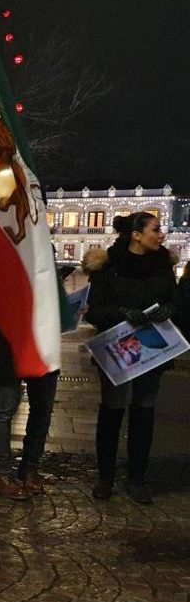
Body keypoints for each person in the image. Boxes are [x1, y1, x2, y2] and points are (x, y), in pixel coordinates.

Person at [82, 212, 178, 504]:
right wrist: (122, 313)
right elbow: (95, 310)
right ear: (136, 234)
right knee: (112, 409)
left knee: (144, 409)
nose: (161, 235)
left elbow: (177, 300)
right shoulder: (108, 267)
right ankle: (105, 477)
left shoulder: (163, 266)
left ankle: (137, 478)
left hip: (153, 346)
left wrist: (169, 309)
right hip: (117, 347)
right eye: (156, 229)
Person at [0, 319, 59, 500]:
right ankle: (3, 475)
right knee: (4, 409)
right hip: (6, 336)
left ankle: (29, 469)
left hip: (42, 336)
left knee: (42, 407)